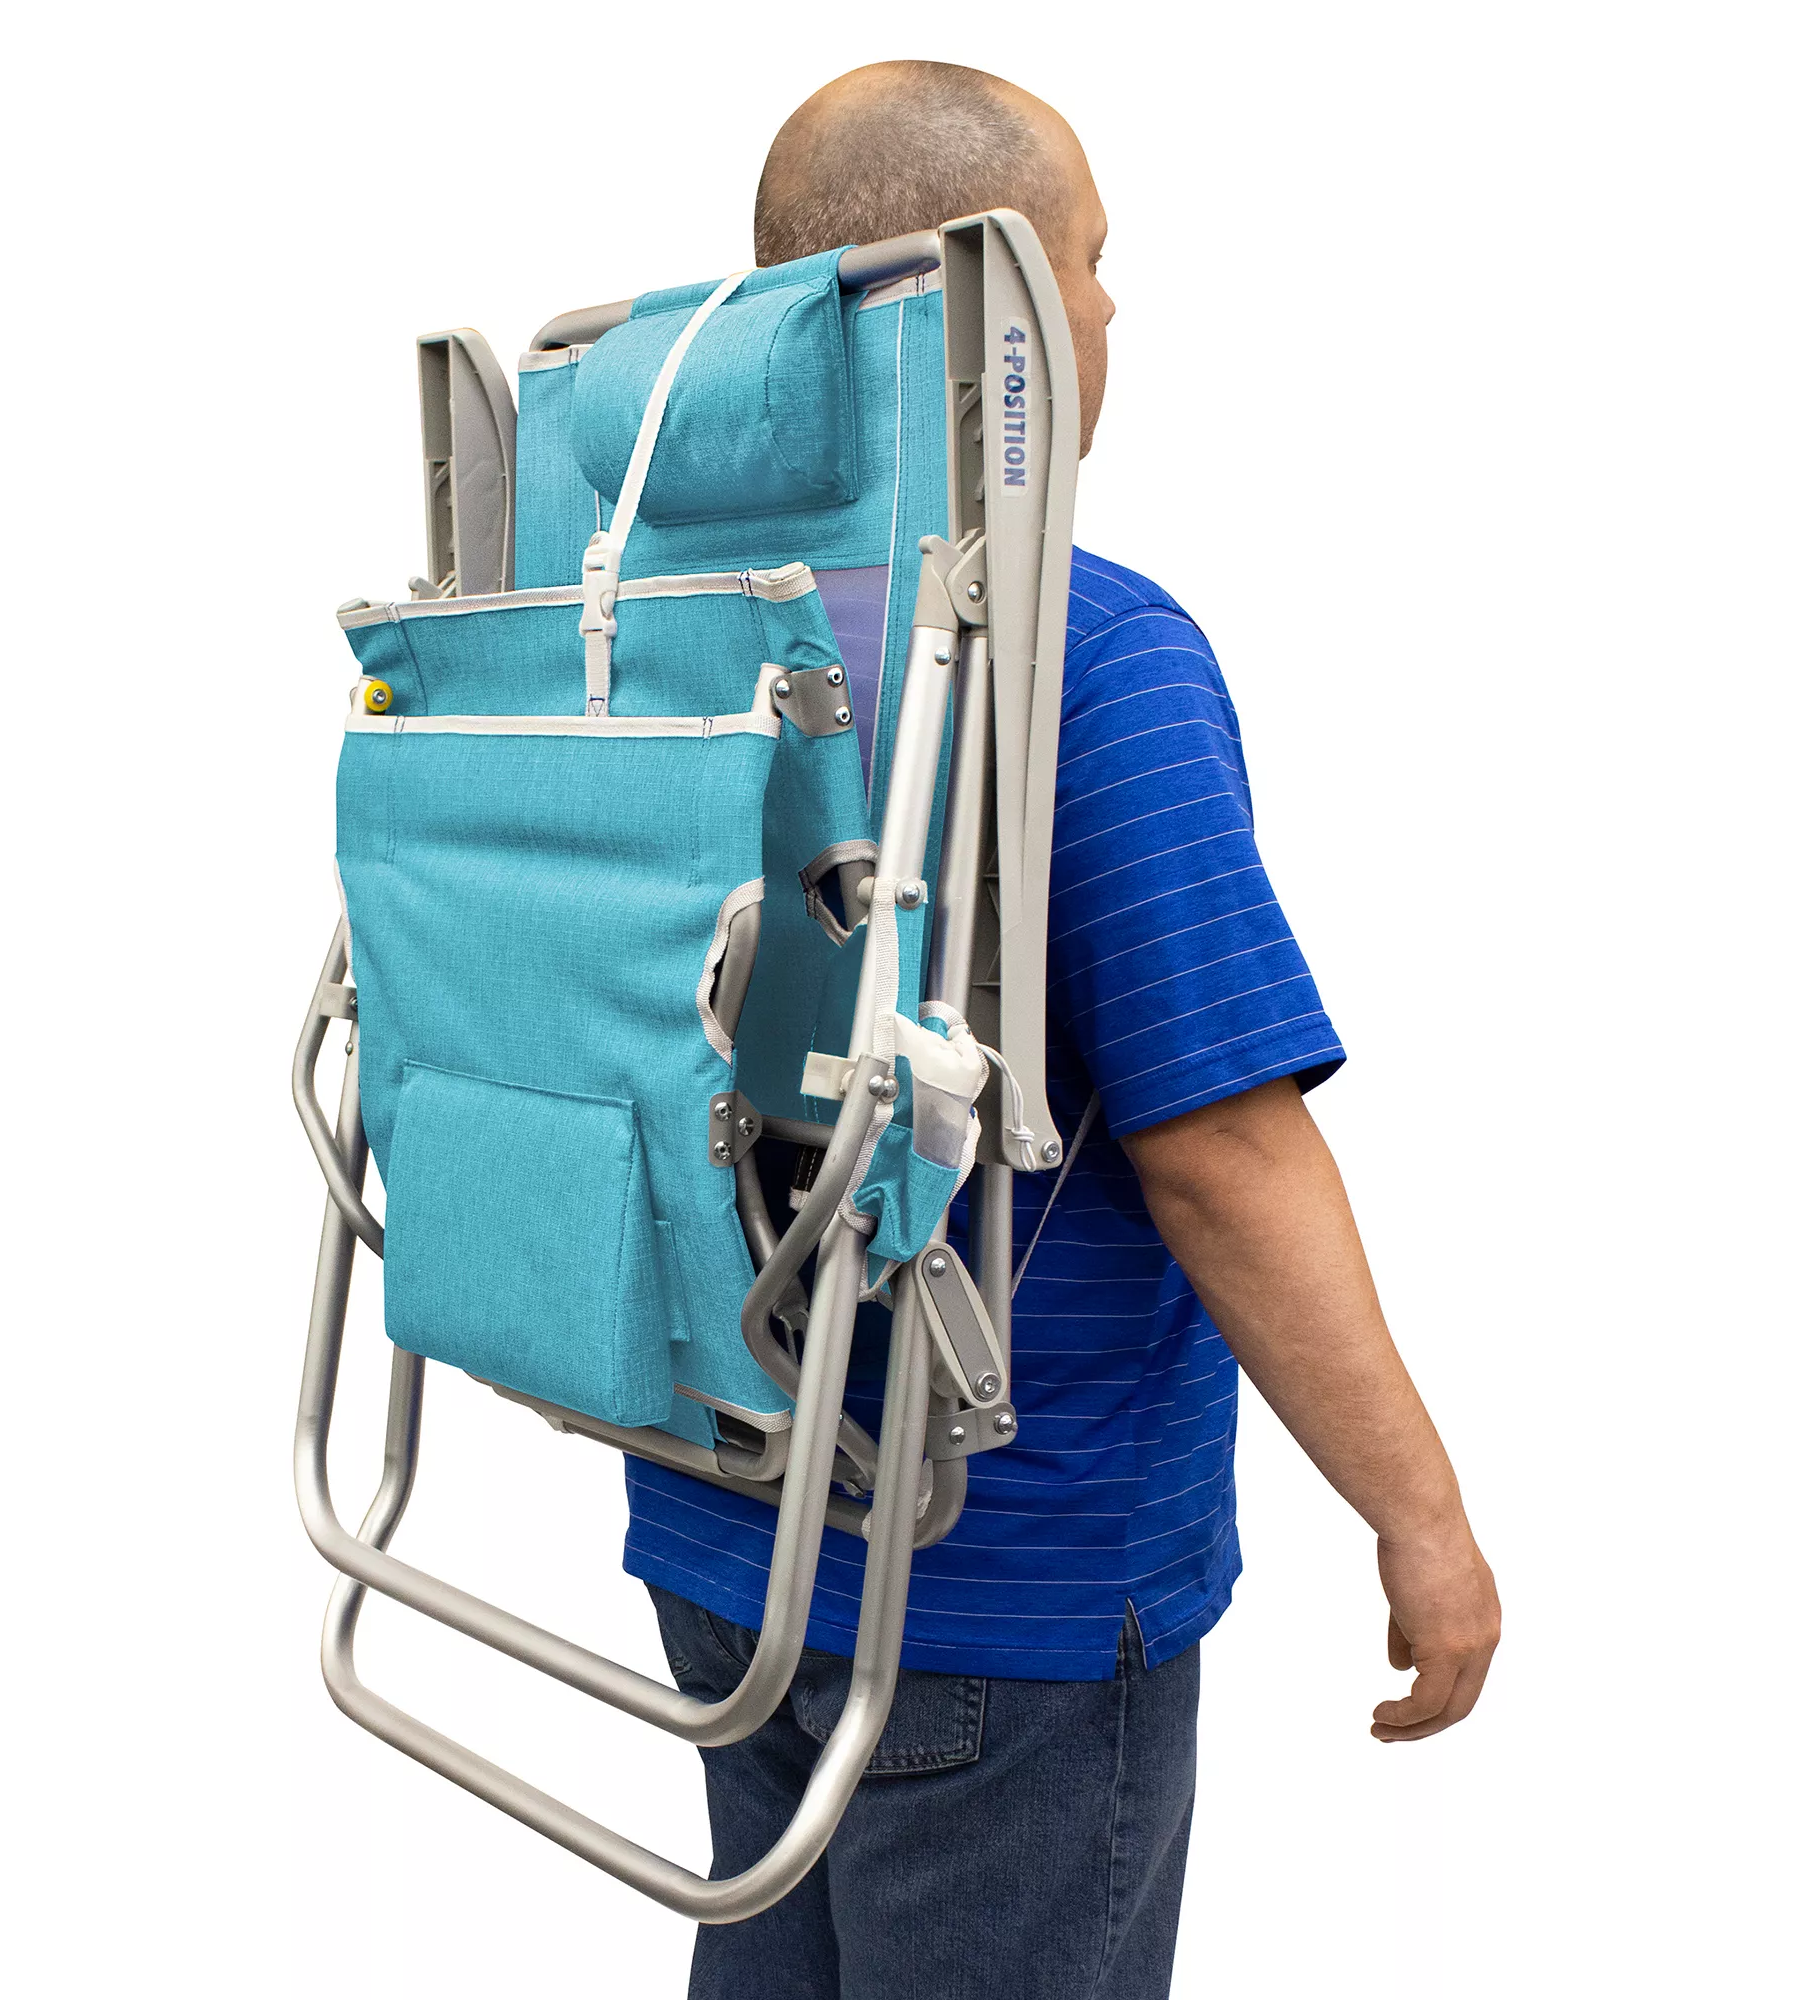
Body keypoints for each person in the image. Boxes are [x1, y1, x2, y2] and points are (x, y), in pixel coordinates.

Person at [623, 60, 1502, 2000]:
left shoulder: (656, 630)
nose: (1114, 310)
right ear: (995, 299)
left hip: (721, 1533)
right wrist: (1421, 1518)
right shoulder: (1081, 657)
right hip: (997, 1587)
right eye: (1092, 261)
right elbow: (1220, 1147)